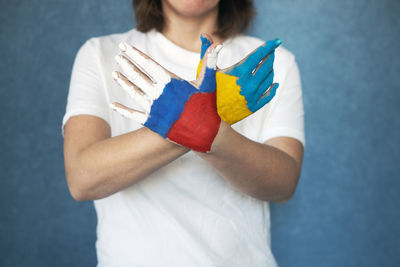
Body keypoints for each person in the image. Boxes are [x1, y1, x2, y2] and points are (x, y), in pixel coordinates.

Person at [62, 0, 305, 266]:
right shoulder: (102, 54)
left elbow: (283, 183)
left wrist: (207, 128)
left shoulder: (266, 65)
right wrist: (196, 121)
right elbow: (83, 179)